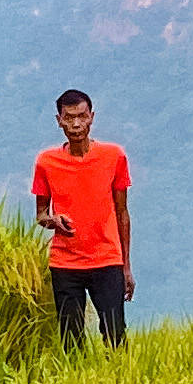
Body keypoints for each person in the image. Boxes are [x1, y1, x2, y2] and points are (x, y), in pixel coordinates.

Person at [29, 89, 134, 346]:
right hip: (65, 264)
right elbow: (41, 214)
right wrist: (53, 220)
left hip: (107, 260)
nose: (76, 124)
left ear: (92, 118)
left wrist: (126, 267)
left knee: (115, 336)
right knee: (71, 341)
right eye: (69, 118)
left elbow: (122, 212)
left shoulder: (114, 156)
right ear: (59, 120)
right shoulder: (46, 162)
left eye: (82, 117)